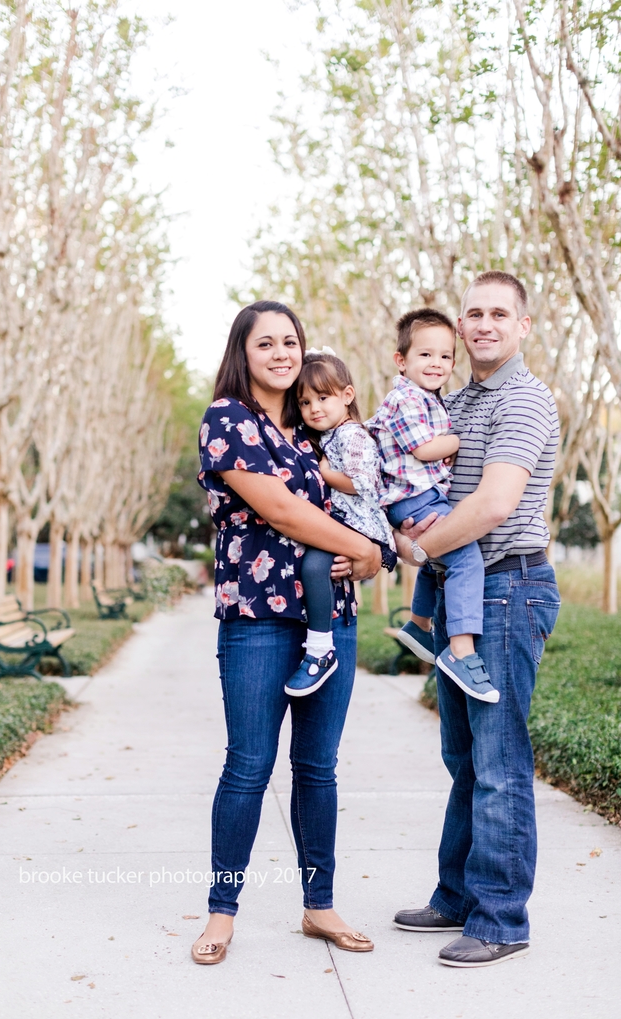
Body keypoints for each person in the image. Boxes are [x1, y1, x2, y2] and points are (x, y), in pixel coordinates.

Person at [192, 300, 381, 965]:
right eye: (266, 342)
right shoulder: (227, 419)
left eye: (291, 341)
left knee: (317, 767)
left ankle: (319, 905)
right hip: (258, 617)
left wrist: (368, 548)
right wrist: (365, 547)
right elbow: (280, 509)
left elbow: (359, 488)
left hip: (330, 616)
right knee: (249, 764)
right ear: (242, 352)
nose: (281, 352)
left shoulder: (311, 426)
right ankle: (221, 913)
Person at [392, 271, 560, 967]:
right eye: (474, 314)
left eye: (500, 313)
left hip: (508, 589)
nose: (485, 324)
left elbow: (493, 506)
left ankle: (500, 918)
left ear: (523, 326)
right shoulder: (454, 400)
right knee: (463, 757)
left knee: (498, 760)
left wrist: (411, 551)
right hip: (463, 593)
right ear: (460, 328)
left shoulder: (524, 399)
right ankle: (458, 895)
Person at [367, 309, 499, 704]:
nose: (436, 364)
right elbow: (424, 448)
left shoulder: (425, 397)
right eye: (425, 355)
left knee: (439, 558)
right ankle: (462, 652)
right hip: (414, 497)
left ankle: (419, 624)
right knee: (465, 558)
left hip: (419, 495)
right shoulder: (406, 397)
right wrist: (464, 439)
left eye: (445, 357)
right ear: (401, 360)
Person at [284, 351, 396, 697]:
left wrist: (323, 473)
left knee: (317, 566)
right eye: (304, 402)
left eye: (323, 397)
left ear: (347, 397)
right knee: (319, 567)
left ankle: (320, 649)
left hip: (361, 525)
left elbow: (363, 482)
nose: (314, 408)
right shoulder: (330, 435)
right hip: (348, 524)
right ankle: (319, 646)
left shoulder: (352, 435)